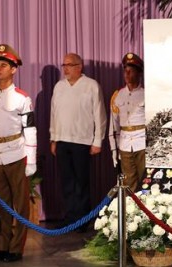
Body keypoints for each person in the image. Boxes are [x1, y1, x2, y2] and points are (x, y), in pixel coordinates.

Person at [0, 44, 36, 262]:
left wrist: (30, 161)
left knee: (19, 205)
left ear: (13, 69)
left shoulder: (22, 98)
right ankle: (2, 246)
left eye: (4, 65)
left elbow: (30, 129)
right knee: (1, 204)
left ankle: (16, 248)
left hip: (16, 153)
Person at [50, 53, 106, 231]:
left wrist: (98, 140)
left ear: (79, 66)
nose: (65, 68)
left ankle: (82, 220)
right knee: (67, 182)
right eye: (63, 65)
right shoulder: (59, 87)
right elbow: (54, 114)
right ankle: (70, 217)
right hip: (62, 141)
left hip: (82, 141)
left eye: (69, 64)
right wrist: (53, 138)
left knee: (81, 182)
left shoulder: (91, 85)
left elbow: (99, 114)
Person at [108, 52, 145, 192]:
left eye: (131, 71)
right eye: (125, 71)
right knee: (128, 185)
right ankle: (131, 213)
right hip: (124, 145)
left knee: (145, 182)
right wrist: (113, 149)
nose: (127, 74)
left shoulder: (145, 94)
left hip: (142, 144)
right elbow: (113, 126)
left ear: (139, 73)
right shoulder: (117, 96)